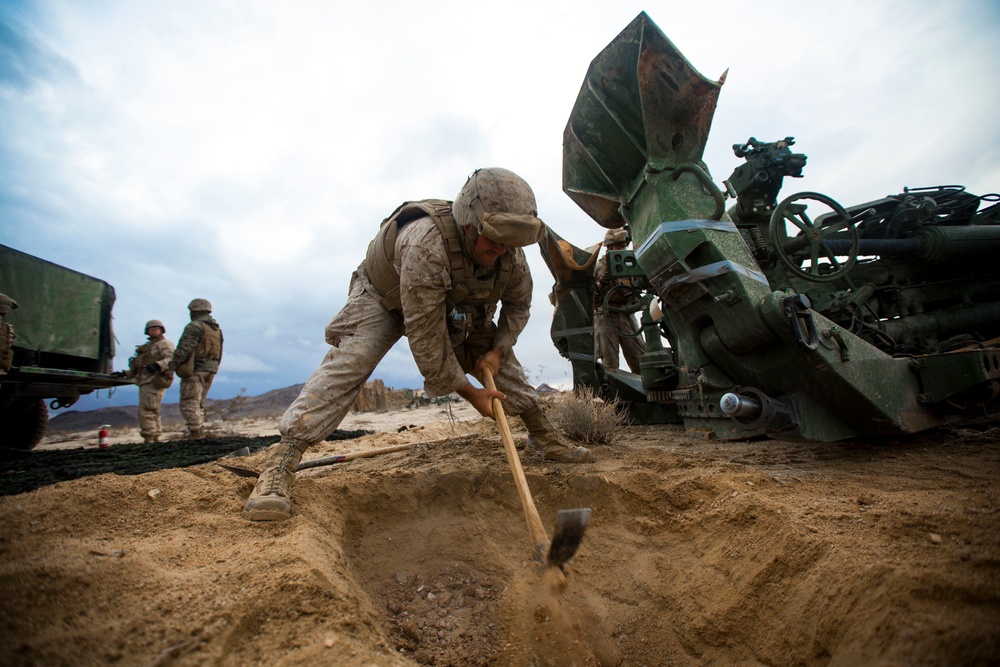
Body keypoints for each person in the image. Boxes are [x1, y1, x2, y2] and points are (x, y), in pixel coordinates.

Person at [245, 168, 593, 522]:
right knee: (354, 359)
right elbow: (427, 339)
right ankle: (281, 462)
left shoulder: (510, 256)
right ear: (470, 225)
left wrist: (498, 349)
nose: (502, 249)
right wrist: (471, 394)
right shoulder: (426, 244)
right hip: (383, 297)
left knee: (497, 357)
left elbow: (519, 306)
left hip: (451, 303)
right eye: (495, 239)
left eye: (510, 242)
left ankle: (541, 433)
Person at [167, 299, 223, 439]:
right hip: (210, 369)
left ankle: (196, 433)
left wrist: (172, 367)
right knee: (199, 403)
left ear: (194, 311)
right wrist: (214, 367)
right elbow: (220, 352)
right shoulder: (216, 329)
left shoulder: (195, 326)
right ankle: (199, 430)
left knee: (189, 402)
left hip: (195, 369)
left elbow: (184, 348)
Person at [594, 228, 645, 373]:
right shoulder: (599, 267)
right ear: (609, 247)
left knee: (639, 357)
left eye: (624, 246)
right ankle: (614, 394)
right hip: (606, 315)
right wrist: (601, 283)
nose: (623, 249)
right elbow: (587, 295)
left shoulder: (630, 263)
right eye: (619, 246)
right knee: (609, 363)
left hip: (627, 314)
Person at [123, 320, 175, 443]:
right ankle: (155, 436)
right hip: (145, 379)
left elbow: (172, 358)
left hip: (154, 380)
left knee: (147, 409)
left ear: (162, 330)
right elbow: (140, 368)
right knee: (152, 409)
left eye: (156, 328)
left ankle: (149, 436)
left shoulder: (164, 344)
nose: (153, 330)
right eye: (151, 328)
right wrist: (125, 373)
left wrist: (157, 365)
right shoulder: (148, 347)